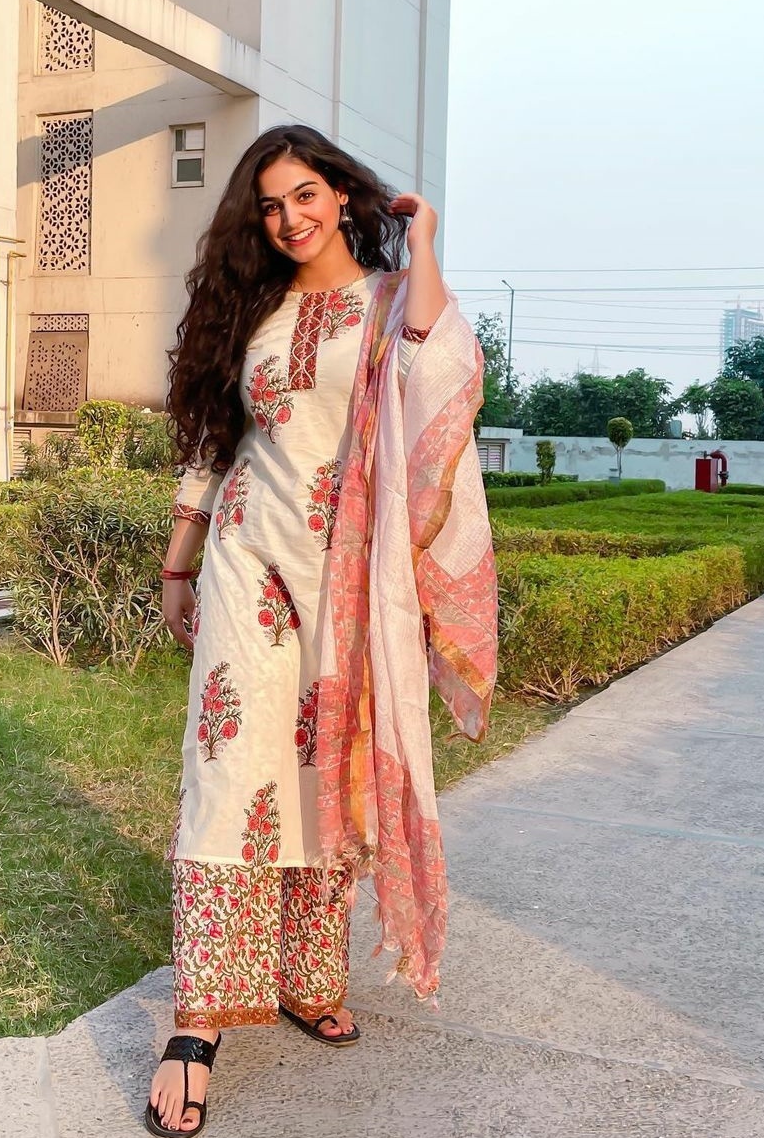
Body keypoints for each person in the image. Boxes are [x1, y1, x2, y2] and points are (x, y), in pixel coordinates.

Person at [146, 125, 497, 1137]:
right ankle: (199, 1020)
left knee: (319, 770)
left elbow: (440, 368)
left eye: (304, 195)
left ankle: (306, 976)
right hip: (246, 562)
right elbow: (216, 442)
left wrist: (421, 242)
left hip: (347, 580)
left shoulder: (389, 303)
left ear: (342, 194)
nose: (288, 218)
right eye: (270, 204)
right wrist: (178, 563)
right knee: (229, 768)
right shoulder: (250, 310)